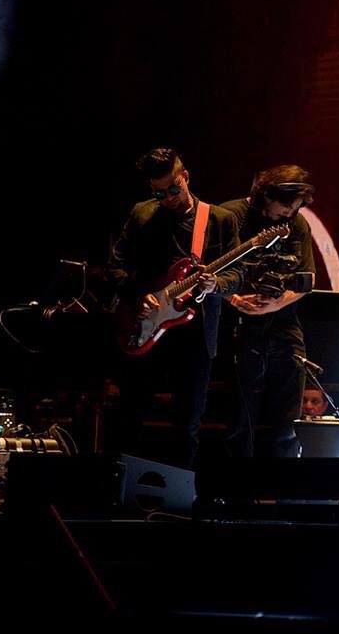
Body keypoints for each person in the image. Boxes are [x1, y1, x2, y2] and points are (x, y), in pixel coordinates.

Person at [107, 147, 243, 469]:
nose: (167, 198)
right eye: (159, 193)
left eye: (173, 189)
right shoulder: (142, 214)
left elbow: (239, 273)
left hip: (195, 333)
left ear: (186, 177)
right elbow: (116, 265)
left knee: (188, 422)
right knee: (130, 415)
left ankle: (179, 492)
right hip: (144, 325)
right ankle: (122, 487)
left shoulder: (219, 219)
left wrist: (216, 284)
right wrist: (138, 296)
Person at [220, 165, 317, 458]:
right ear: (267, 195)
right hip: (237, 324)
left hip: (283, 324)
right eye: (286, 205)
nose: (290, 212)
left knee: (288, 420)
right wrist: (235, 299)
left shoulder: (297, 223)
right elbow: (209, 273)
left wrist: (275, 303)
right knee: (240, 416)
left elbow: (307, 281)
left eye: (296, 208)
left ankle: (283, 481)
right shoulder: (230, 215)